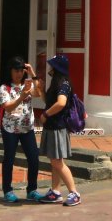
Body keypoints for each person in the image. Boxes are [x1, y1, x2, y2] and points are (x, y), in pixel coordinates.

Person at [37, 53, 81, 207]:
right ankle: (55, 192)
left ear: (57, 69)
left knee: (58, 163)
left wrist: (45, 114)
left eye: (52, 67)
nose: (50, 69)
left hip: (57, 127)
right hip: (52, 127)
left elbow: (61, 103)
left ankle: (74, 192)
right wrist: (42, 90)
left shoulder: (63, 84)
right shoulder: (57, 84)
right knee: (55, 161)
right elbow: (49, 102)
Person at [0, 57, 43, 203]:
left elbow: (39, 92)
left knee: (34, 158)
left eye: (21, 71)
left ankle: (32, 190)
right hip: (10, 129)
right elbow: (8, 106)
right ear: (10, 71)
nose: (19, 74)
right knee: (9, 159)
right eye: (16, 71)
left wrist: (33, 73)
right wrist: (21, 97)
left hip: (27, 128)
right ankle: (7, 190)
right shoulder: (5, 88)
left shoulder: (27, 85)